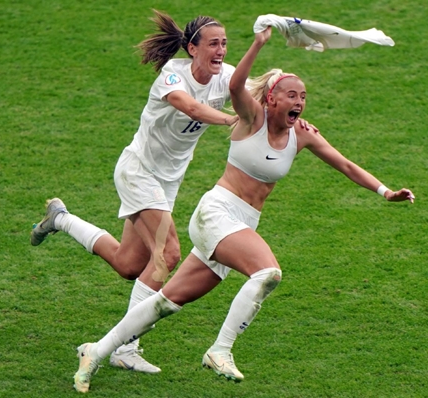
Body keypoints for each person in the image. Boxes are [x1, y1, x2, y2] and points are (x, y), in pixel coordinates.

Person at [71, 26, 414, 393]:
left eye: (303, 96)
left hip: (241, 220)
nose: (299, 101)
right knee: (267, 273)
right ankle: (220, 350)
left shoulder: (304, 134)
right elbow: (235, 88)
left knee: (167, 301)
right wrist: (259, 42)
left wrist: (384, 191)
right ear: (270, 99)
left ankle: (98, 349)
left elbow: (345, 165)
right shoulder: (251, 117)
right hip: (215, 213)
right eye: (291, 95)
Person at [31, 11, 315, 374]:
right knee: (167, 254)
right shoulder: (172, 75)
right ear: (192, 47)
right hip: (139, 172)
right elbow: (191, 106)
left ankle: (61, 219)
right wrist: (233, 119)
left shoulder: (224, 76)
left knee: (128, 264)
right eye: (213, 43)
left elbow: (260, 93)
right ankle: (125, 347)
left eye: (225, 43)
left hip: (168, 181)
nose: (221, 50)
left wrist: (292, 112)